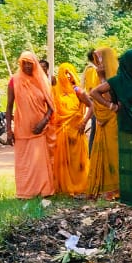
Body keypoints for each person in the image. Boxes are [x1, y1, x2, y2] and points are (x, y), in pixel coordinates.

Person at [92, 49, 132, 208]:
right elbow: (94, 92)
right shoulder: (117, 81)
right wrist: (111, 105)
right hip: (126, 126)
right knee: (130, 161)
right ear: (128, 62)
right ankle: (131, 199)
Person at [7, 51, 56, 199]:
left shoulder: (42, 81)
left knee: (39, 163)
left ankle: (44, 191)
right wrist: (8, 130)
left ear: (35, 64)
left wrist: (43, 121)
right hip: (21, 130)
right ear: (20, 64)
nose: (27, 66)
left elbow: (51, 107)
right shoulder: (14, 81)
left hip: (39, 130)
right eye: (24, 63)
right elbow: (9, 106)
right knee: (24, 163)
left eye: (30, 63)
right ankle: (25, 192)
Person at [52, 63, 94, 197]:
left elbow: (92, 106)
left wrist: (84, 122)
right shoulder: (55, 90)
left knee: (77, 161)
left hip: (76, 131)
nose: (68, 76)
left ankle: (80, 185)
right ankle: (65, 186)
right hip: (61, 131)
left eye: (70, 72)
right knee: (64, 161)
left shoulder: (78, 91)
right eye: (65, 73)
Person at [86, 47, 120, 198]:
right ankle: (108, 189)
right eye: (96, 59)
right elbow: (93, 96)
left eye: (100, 59)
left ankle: (117, 189)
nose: (98, 63)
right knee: (105, 153)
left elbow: (109, 97)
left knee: (114, 152)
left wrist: (102, 78)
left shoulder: (115, 76)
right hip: (101, 120)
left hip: (113, 119)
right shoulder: (96, 74)